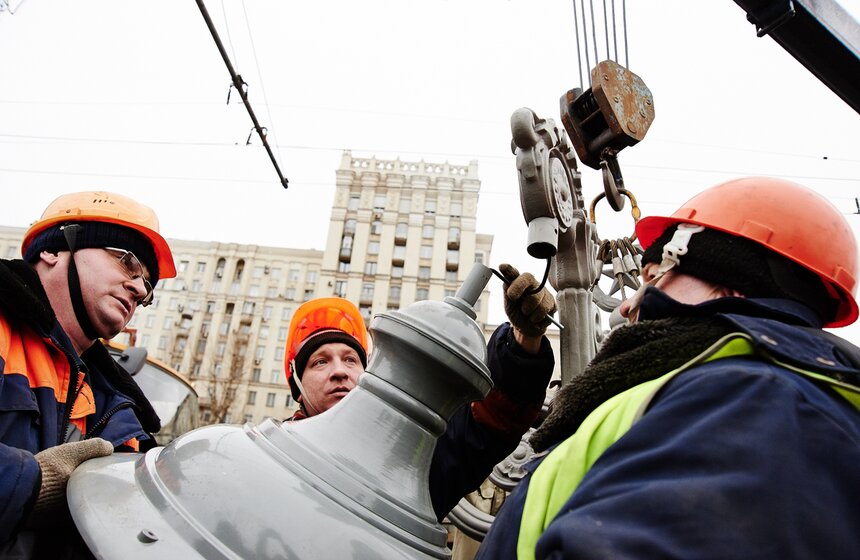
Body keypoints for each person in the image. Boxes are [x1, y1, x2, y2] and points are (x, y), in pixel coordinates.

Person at [476, 177, 860, 560]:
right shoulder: (748, 396)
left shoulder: (757, 401)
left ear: (727, 286)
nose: (626, 306)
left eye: (653, 276)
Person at [284, 265, 556, 520]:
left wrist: (524, 339)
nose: (339, 371)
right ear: (297, 384)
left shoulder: (409, 455)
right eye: (320, 362)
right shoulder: (274, 452)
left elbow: (488, 425)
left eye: (350, 359)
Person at [0, 191, 176, 557]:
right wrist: (35, 482)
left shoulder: (118, 411)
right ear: (53, 249)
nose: (140, 289)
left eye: (147, 286)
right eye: (127, 262)